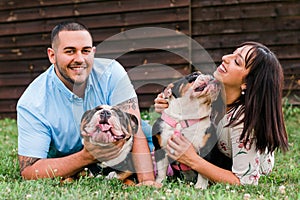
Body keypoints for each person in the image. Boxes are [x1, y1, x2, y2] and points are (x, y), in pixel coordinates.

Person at [17, 21, 158, 186]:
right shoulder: (33, 102)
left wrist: (147, 181)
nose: (79, 59)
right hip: (70, 157)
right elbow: (29, 170)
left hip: (123, 150)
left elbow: (136, 131)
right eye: (70, 51)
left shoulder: (112, 72)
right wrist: (87, 156)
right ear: (52, 55)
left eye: (86, 51)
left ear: (93, 52)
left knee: (162, 140)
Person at [154, 41, 289, 185]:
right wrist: (168, 102)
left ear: (247, 83)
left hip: (232, 162)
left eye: (237, 61)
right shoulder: (214, 91)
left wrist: (192, 159)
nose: (225, 58)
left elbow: (244, 181)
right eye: (232, 52)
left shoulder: (243, 123)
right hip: (214, 155)